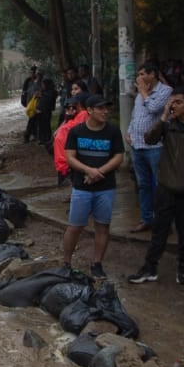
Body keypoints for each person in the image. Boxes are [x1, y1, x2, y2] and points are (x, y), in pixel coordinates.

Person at [129, 85, 184, 285]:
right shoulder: (168, 123)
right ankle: (150, 267)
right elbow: (149, 138)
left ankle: (183, 268)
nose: (174, 106)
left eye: (179, 102)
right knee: (160, 228)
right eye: (171, 102)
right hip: (166, 184)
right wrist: (164, 116)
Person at [61, 94, 124, 279]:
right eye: (100, 108)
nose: (105, 112)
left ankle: (97, 263)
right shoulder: (76, 131)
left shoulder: (113, 131)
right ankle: (66, 262)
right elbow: (70, 157)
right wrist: (89, 171)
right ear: (89, 110)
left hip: (105, 187)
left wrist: (98, 173)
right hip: (81, 187)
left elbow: (119, 157)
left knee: (103, 226)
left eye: (106, 108)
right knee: (74, 226)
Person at [127, 62, 173, 232]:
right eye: (138, 74)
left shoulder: (165, 91)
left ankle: (163, 221)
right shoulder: (141, 94)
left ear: (152, 74)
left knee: (160, 185)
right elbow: (136, 115)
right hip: (137, 145)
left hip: (155, 146)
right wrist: (129, 132)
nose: (139, 78)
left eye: (142, 74)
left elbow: (154, 108)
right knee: (143, 185)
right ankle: (146, 218)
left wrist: (144, 92)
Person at [28, 77, 58, 149]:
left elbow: (50, 100)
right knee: (41, 125)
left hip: (46, 111)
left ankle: (46, 139)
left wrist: (42, 95)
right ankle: (42, 139)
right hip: (40, 111)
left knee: (46, 125)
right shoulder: (44, 91)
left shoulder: (52, 91)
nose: (42, 86)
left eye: (43, 84)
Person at [20, 65, 42, 143]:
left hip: (38, 104)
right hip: (30, 104)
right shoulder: (28, 81)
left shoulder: (40, 81)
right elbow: (24, 93)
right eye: (31, 72)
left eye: (34, 72)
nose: (32, 74)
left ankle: (29, 136)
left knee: (33, 120)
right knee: (32, 120)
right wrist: (24, 102)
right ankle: (32, 135)